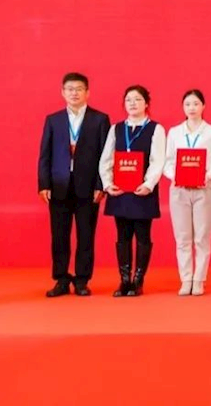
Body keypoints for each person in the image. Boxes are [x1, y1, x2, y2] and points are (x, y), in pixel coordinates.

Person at [38, 72, 111, 297]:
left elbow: (106, 155)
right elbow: (45, 154)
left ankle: (82, 280)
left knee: (86, 235)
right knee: (59, 236)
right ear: (62, 92)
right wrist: (43, 184)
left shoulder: (100, 119)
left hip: (88, 187)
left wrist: (101, 185)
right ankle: (61, 279)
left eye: (79, 89)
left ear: (87, 92)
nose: (74, 93)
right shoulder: (53, 119)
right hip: (59, 185)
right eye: (70, 89)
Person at [99, 85, 166, 297]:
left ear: (146, 103)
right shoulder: (116, 129)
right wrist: (108, 183)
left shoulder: (156, 129)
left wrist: (148, 184)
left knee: (143, 235)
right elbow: (106, 159)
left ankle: (138, 280)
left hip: (142, 191)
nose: (133, 103)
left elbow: (158, 160)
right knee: (123, 236)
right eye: (128, 100)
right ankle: (124, 280)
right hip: (120, 191)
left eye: (137, 99)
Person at [162, 90, 211, 296]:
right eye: (187, 104)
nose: (192, 108)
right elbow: (168, 161)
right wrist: (175, 176)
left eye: (196, 104)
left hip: (203, 189)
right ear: (183, 107)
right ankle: (186, 278)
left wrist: (206, 176)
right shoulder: (174, 132)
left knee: (202, 237)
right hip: (179, 190)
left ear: (203, 106)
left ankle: (199, 279)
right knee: (182, 237)